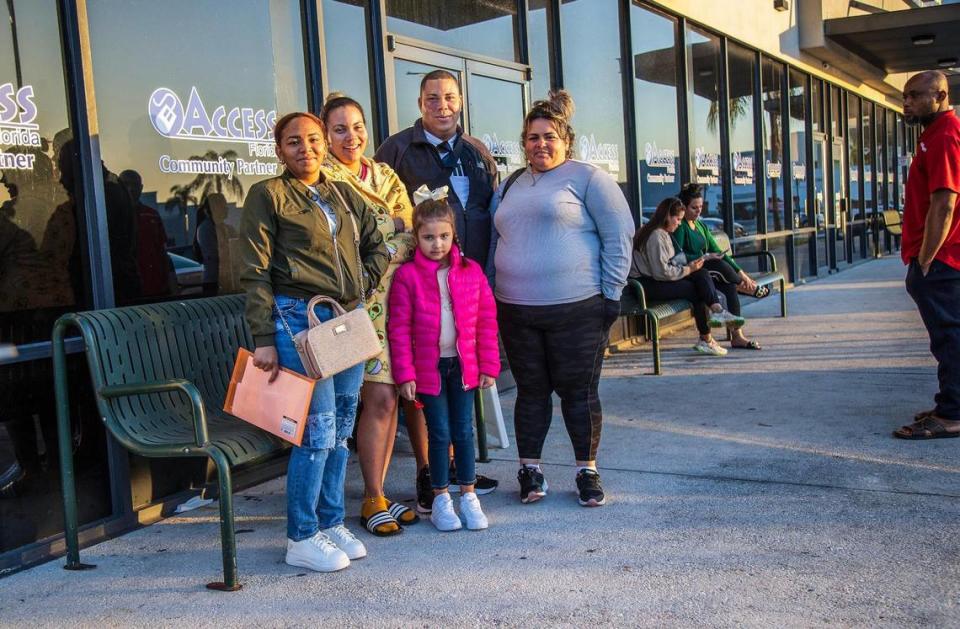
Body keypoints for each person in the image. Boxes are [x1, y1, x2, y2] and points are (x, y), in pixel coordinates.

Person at [239, 111, 388, 572]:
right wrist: (264, 337)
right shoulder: (268, 195)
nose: (306, 149)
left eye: (313, 139)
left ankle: (330, 522)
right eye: (293, 142)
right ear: (279, 149)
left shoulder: (340, 192)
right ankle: (301, 537)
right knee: (316, 432)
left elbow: (376, 242)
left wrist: (362, 283)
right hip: (295, 317)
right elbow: (254, 270)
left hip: (343, 316)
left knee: (342, 428)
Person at [487, 90, 634, 507]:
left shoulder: (589, 178)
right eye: (533, 137)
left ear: (566, 139)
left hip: (579, 309)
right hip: (516, 310)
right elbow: (499, 239)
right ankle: (530, 470)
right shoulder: (512, 184)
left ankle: (586, 471)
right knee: (530, 393)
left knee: (578, 393)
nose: (541, 144)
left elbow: (619, 237)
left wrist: (611, 295)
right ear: (523, 143)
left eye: (549, 136)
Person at [374, 69, 500, 511]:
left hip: (466, 283)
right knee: (426, 385)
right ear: (419, 103)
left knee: (461, 382)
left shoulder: (478, 153)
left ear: (460, 100)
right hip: (416, 286)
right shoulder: (396, 149)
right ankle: (430, 471)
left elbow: (489, 214)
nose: (441, 105)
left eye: (449, 97)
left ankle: (456, 468)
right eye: (432, 98)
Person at [318, 92, 419, 536]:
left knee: (393, 394)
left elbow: (415, 227)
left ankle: (381, 491)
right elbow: (346, 238)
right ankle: (370, 496)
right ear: (325, 135)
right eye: (340, 129)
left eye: (357, 127)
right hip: (354, 304)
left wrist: (391, 233)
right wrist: (391, 230)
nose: (351, 137)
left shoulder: (384, 173)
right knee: (371, 399)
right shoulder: (322, 179)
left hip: (398, 302)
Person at [388, 190, 500, 531]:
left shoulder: (471, 272)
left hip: (463, 367)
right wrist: (405, 374)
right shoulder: (408, 277)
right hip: (429, 369)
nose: (436, 244)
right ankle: (440, 498)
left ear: (454, 235)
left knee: (463, 431)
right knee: (438, 433)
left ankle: (468, 495)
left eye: (443, 236)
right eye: (428, 237)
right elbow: (399, 328)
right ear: (416, 237)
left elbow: (486, 320)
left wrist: (489, 365)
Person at [892, 70, 960, 440]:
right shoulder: (933, 135)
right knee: (948, 336)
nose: (908, 102)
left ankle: (953, 413)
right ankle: (950, 403)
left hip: (943, 259)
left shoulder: (946, 136)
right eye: (906, 95)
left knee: (950, 337)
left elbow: (944, 204)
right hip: (941, 258)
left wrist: (926, 260)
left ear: (941, 96)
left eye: (916, 95)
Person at [630, 197, 744, 356]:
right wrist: (688, 269)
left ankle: (716, 312)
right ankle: (707, 338)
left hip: (656, 279)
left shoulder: (661, 232)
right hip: (646, 285)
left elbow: (671, 263)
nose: (678, 224)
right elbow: (661, 272)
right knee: (696, 290)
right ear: (667, 216)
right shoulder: (656, 236)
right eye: (677, 219)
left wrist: (694, 265)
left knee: (702, 273)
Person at [675, 183, 763, 350]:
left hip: (708, 272)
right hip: (690, 272)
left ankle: (737, 336)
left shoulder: (701, 226)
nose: (698, 211)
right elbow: (678, 256)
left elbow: (718, 251)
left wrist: (742, 274)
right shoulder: (681, 227)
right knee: (714, 262)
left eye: (701, 207)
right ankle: (745, 288)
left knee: (728, 284)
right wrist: (704, 256)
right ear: (684, 207)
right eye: (694, 207)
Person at [119, 169, 175, 299]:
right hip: (128, 293)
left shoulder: (152, 215)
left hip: (157, 289)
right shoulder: (111, 217)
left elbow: (162, 252)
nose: (131, 188)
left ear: (141, 188)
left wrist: (171, 285)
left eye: (135, 185)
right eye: (126, 184)